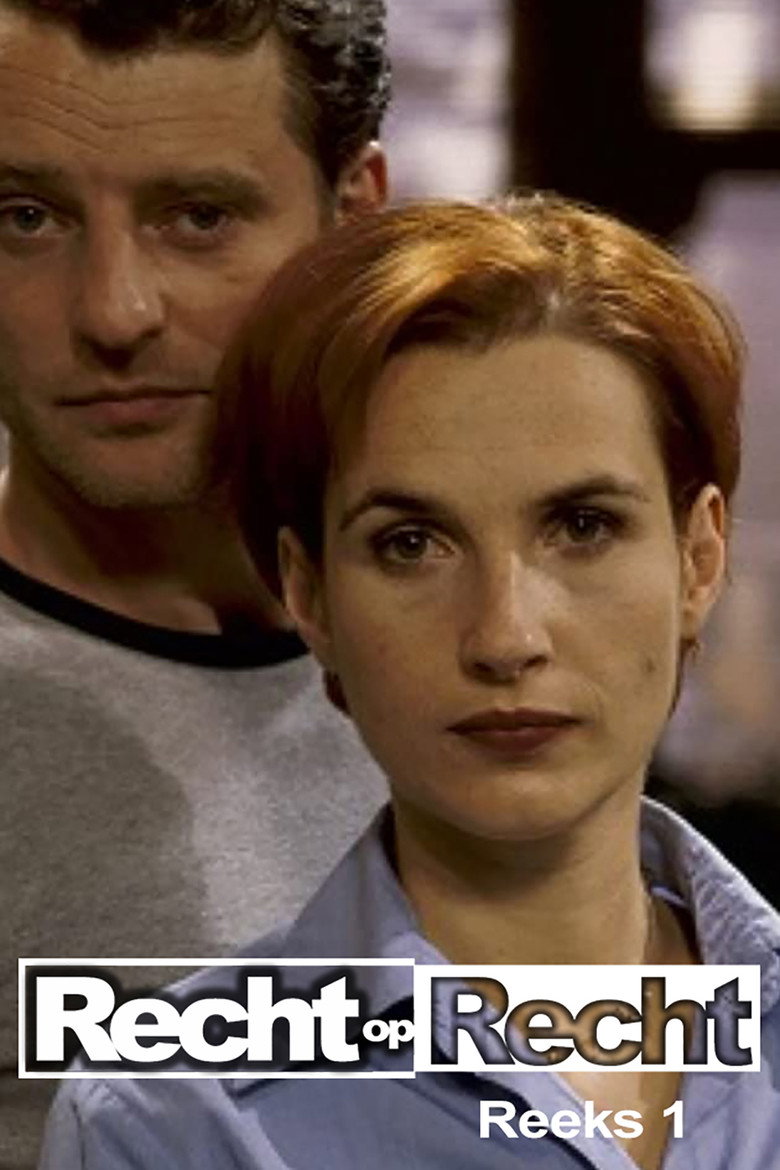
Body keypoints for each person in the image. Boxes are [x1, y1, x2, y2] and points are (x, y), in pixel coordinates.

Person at [40, 196, 780, 1168]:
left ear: (699, 557)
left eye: (584, 527)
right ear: (309, 594)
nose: (505, 637)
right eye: (412, 544)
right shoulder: (172, 1118)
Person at [0, 2, 390, 1165]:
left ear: (353, 220)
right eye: (25, 217)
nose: (113, 312)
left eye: (199, 216)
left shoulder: (495, 653)